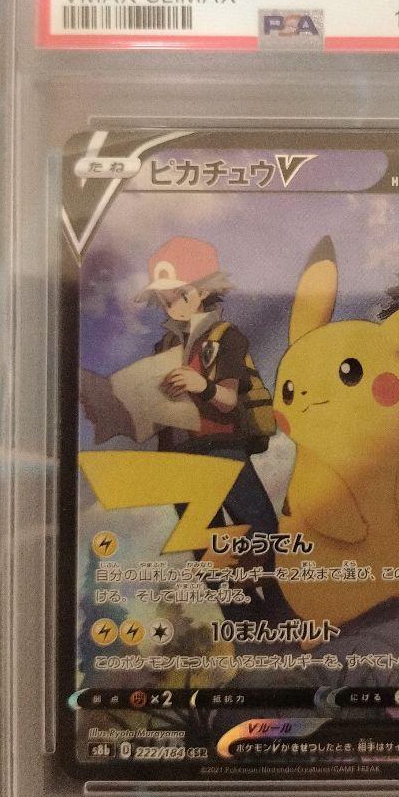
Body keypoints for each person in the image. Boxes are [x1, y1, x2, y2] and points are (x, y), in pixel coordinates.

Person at [137, 236, 287, 621]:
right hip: (179, 458)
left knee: (260, 529)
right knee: (204, 543)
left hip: (222, 448)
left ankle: (278, 613)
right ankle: (241, 623)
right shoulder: (163, 347)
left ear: (203, 290)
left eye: (177, 294)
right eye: (164, 299)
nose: (171, 304)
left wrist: (200, 385)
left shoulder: (226, 337)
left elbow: (228, 401)